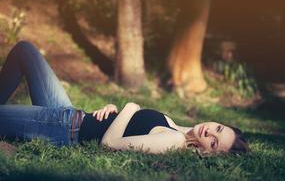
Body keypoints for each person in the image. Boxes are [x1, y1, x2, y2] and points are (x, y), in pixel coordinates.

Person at [0, 41, 249, 154]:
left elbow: (110, 144)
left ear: (208, 153)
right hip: (70, 112)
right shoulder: (176, 126)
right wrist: (114, 110)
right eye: (218, 128)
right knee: (25, 50)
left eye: (215, 142)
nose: (210, 132)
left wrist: (129, 107)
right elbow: (123, 127)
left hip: (62, 129)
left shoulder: (173, 140)